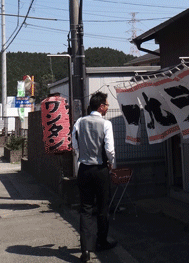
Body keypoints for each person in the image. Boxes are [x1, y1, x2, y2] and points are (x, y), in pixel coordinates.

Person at [72, 91, 117, 262]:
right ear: (101, 106)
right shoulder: (106, 124)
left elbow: (74, 143)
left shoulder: (79, 122)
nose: (107, 107)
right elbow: (110, 149)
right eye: (106, 105)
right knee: (102, 208)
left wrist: (81, 155)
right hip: (100, 170)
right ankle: (102, 242)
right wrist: (111, 162)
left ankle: (85, 251)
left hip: (84, 169)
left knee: (86, 209)